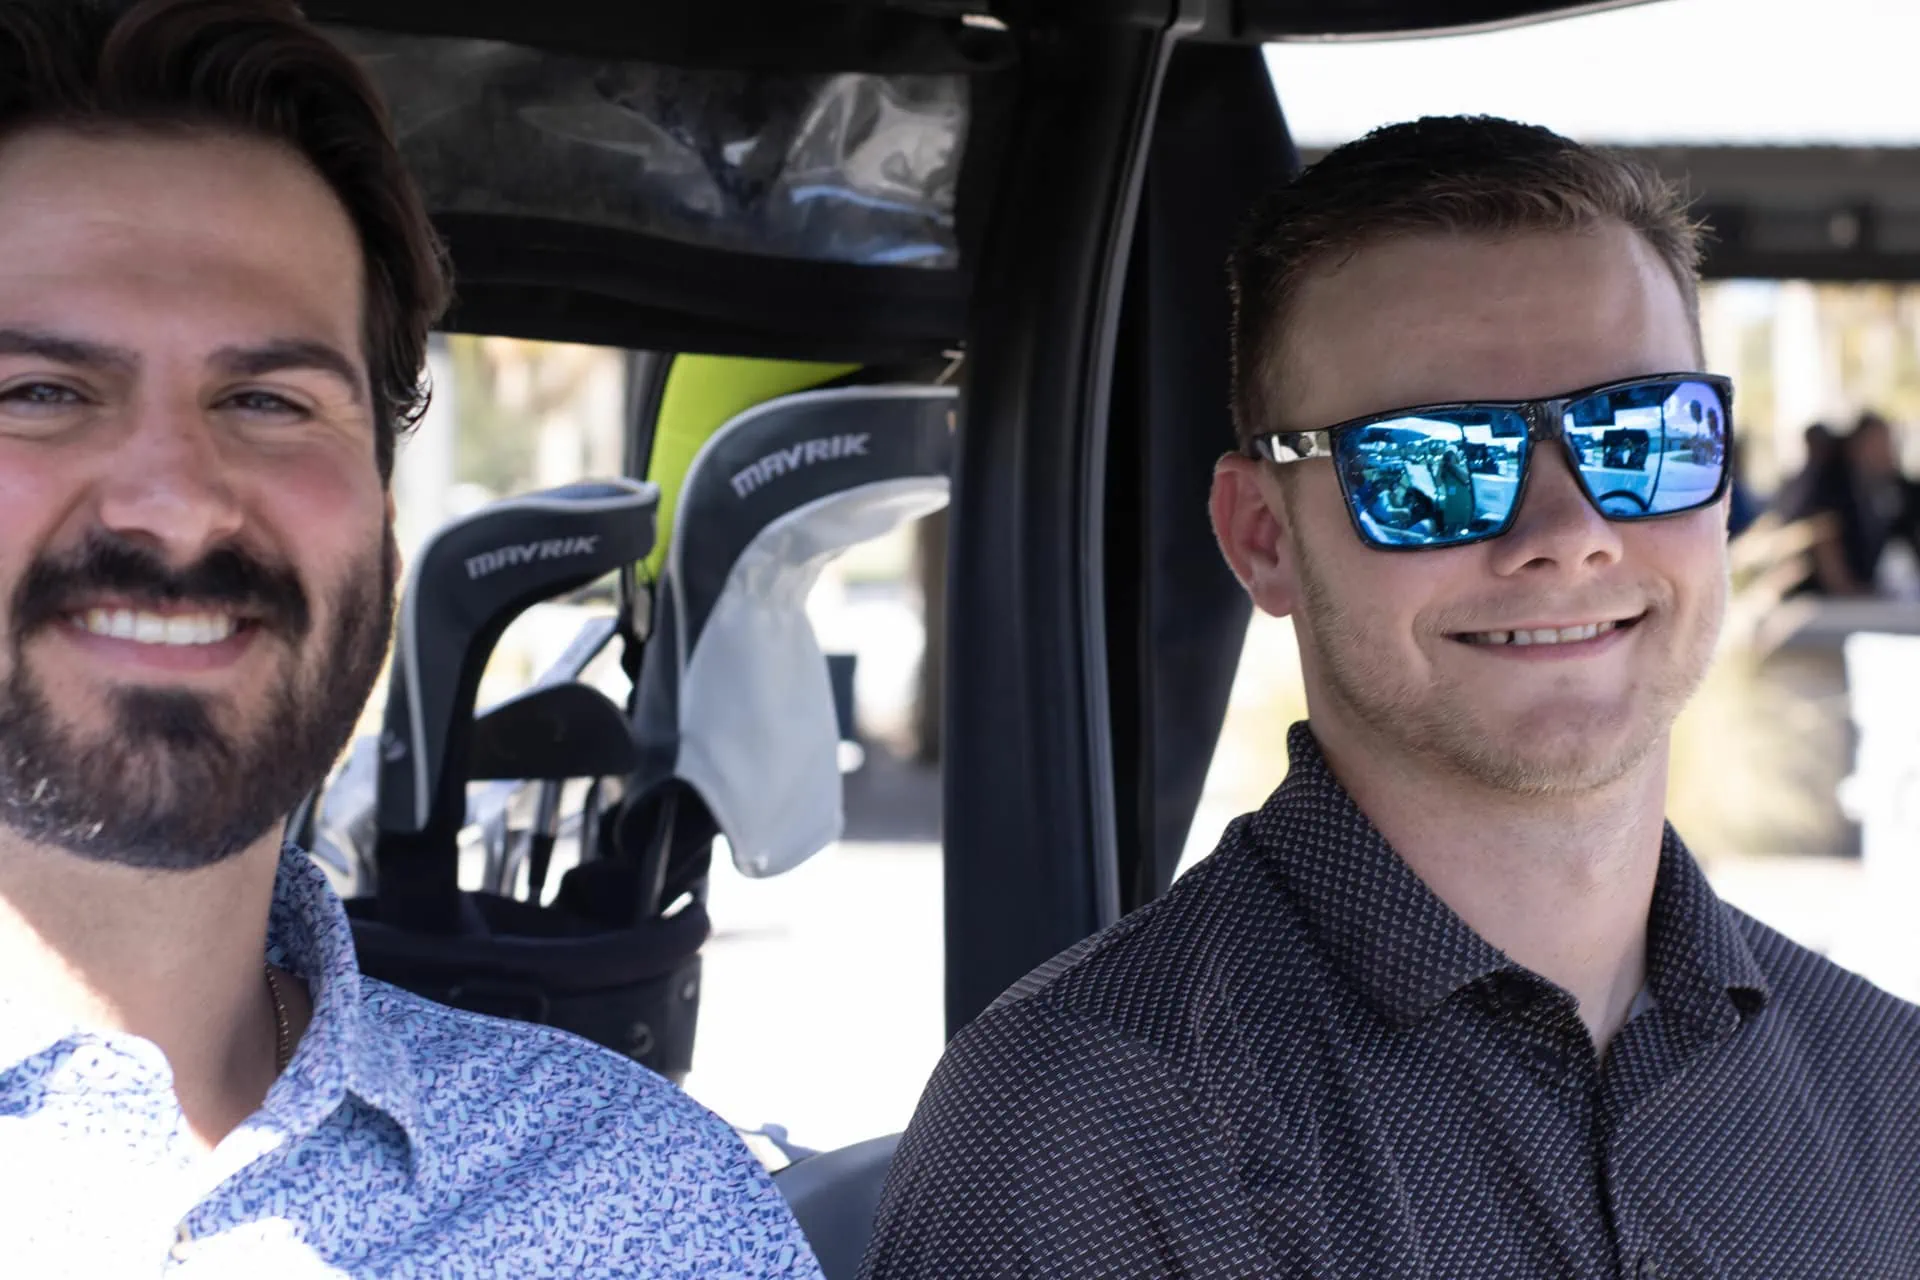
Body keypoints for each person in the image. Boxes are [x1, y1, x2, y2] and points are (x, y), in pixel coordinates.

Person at [861, 117, 1920, 1279]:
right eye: (1433, 463)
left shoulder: (1890, 1087)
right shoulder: (1086, 1130)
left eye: (1641, 435)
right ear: (1262, 537)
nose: (1567, 532)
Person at [0, 2, 821, 1275]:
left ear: (383, 527)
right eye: (40, 391)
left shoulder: (653, 1209)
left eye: (268, 400)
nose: (175, 501)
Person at [1796, 410, 1920, 595]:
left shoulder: (1897, 488)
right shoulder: (1831, 487)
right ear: (1856, 446)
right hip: (1827, 602)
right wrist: (1850, 592)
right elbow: (1824, 543)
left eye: (1888, 443)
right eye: (1877, 444)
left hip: (1873, 595)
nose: (1886, 451)